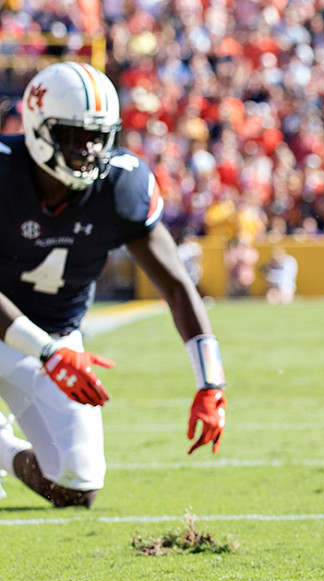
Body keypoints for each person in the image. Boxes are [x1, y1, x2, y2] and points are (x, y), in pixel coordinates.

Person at [0, 63, 227, 508]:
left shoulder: (121, 184)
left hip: (56, 338)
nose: (88, 149)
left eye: (97, 136)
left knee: (76, 486)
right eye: (74, 135)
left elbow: (178, 287)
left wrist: (211, 383)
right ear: (39, 128)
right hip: (39, 343)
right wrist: (49, 352)